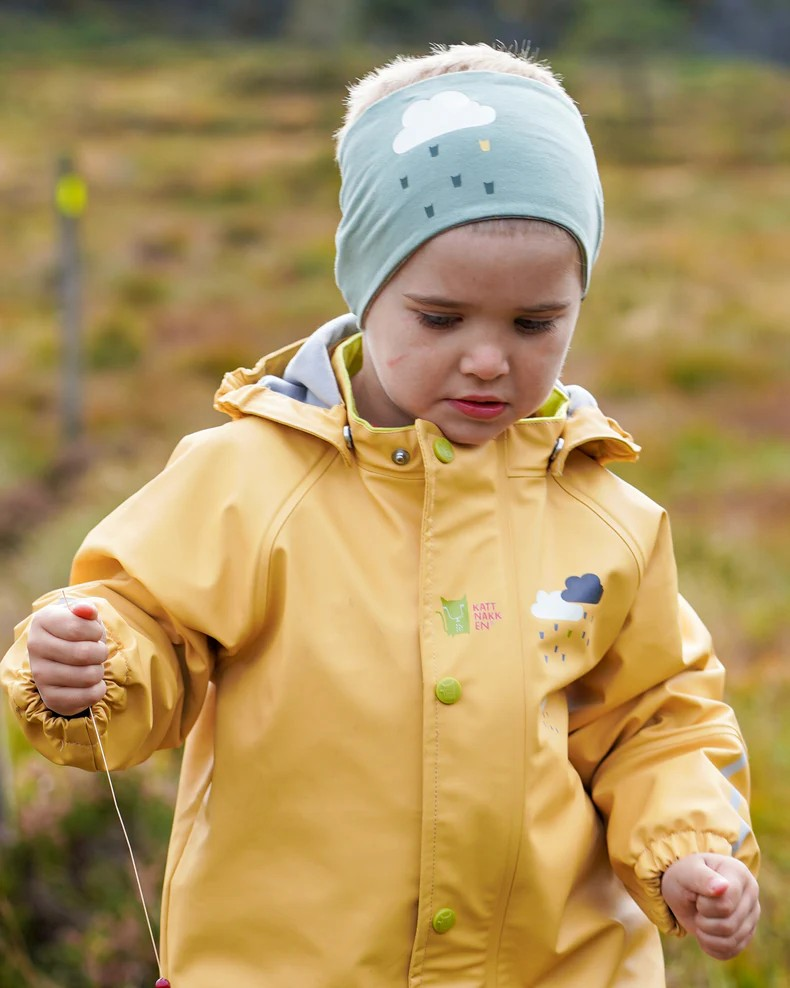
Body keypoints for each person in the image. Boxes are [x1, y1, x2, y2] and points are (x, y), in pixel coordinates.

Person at [1, 42, 759, 987]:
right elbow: (147, 624)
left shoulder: (608, 517)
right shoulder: (248, 479)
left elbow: (658, 718)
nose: (489, 359)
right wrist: (91, 665)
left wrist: (689, 844)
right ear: (366, 295)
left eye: (535, 324)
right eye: (441, 319)